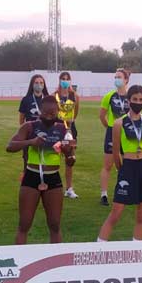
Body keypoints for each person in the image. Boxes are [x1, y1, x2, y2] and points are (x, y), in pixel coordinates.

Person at [6, 96, 75, 244]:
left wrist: (68, 153)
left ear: (58, 112)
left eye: (53, 114)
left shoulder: (63, 129)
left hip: (53, 177)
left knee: (55, 224)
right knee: (24, 223)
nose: (49, 116)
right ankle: (19, 259)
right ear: (39, 112)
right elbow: (10, 146)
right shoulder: (29, 127)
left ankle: (57, 262)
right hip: (32, 175)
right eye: (46, 113)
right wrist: (32, 142)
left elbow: (70, 158)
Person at [97, 85, 142, 241]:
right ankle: (99, 247)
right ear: (128, 101)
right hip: (128, 167)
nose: (138, 102)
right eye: (135, 99)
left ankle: (136, 248)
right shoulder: (119, 123)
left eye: (141, 99)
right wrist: (122, 169)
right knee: (116, 212)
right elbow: (116, 152)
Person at [99, 68, 130, 206]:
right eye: (115, 77)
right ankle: (104, 195)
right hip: (113, 132)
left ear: (126, 80)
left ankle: (124, 191)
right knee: (108, 165)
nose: (116, 79)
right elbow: (102, 115)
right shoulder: (109, 96)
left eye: (119, 77)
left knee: (126, 165)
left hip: (128, 133)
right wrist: (110, 128)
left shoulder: (132, 96)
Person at [55, 71, 80, 199]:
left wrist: (70, 123)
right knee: (53, 157)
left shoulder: (74, 95)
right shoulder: (54, 95)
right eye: (62, 79)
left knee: (70, 159)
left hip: (70, 130)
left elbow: (76, 112)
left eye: (67, 79)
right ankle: (52, 186)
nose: (65, 81)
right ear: (59, 80)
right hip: (56, 129)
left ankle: (69, 188)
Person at [18, 74, 49, 171]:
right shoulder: (26, 100)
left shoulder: (48, 99)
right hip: (30, 137)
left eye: (41, 82)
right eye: (36, 83)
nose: (39, 85)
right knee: (28, 164)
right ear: (32, 84)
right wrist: (25, 134)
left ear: (44, 85)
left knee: (45, 163)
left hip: (46, 136)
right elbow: (21, 120)